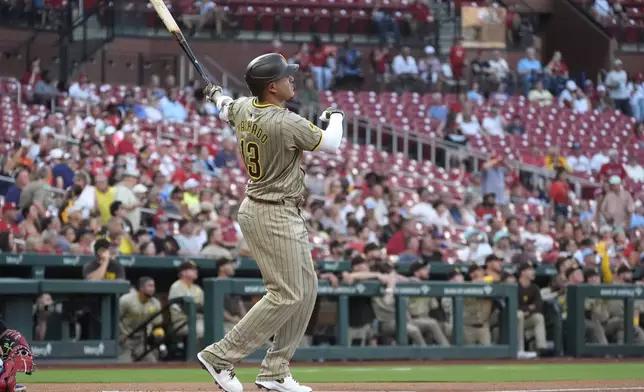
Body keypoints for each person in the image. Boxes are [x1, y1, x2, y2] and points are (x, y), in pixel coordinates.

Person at [199, 53, 344, 392]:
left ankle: (275, 371)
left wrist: (216, 95)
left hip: (275, 209)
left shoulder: (245, 107)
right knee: (286, 293)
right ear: (272, 87)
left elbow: (225, 106)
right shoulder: (283, 120)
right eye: (286, 77)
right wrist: (336, 115)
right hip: (272, 210)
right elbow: (332, 142)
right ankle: (221, 356)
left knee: (306, 291)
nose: (291, 80)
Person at [119, 277, 164, 363]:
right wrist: (119, 335)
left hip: (141, 341)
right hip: (124, 340)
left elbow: (157, 324)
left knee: (152, 364)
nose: (152, 289)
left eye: (153, 286)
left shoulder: (155, 303)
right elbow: (115, 319)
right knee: (124, 366)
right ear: (141, 288)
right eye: (150, 286)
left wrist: (160, 340)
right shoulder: (126, 300)